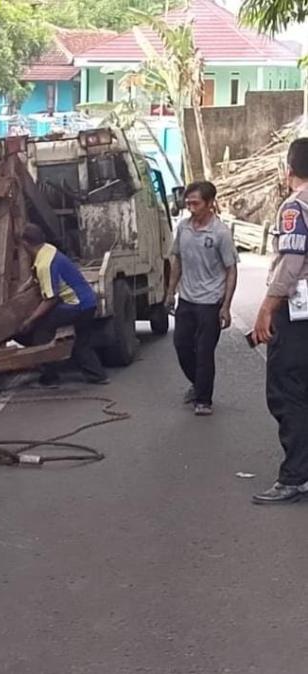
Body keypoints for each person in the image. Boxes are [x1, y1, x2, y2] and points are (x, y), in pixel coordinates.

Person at [251, 138, 308, 505]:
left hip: (298, 316)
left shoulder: (295, 206)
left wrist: (266, 308)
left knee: (287, 393)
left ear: (288, 170)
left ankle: (295, 477)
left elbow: (290, 263)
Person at [164, 181, 238, 416]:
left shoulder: (220, 233)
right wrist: (170, 291)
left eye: (195, 203)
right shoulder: (183, 228)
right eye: (188, 203)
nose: (190, 208)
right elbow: (177, 260)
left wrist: (226, 306)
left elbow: (231, 270)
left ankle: (203, 400)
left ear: (209, 204)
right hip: (187, 299)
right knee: (182, 346)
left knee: (205, 351)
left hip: (210, 302)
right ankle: (198, 383)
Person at [19, 223, 107, 386]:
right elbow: (37, 274)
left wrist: (30, 320)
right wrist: (24, 288)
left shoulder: (46, 264)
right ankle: (97, 375)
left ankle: (49, 377)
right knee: (82, 343)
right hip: (88, 302)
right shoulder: (48, 250)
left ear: (25, 243)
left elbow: (51, 299)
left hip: (77, 305)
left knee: (41, 328)